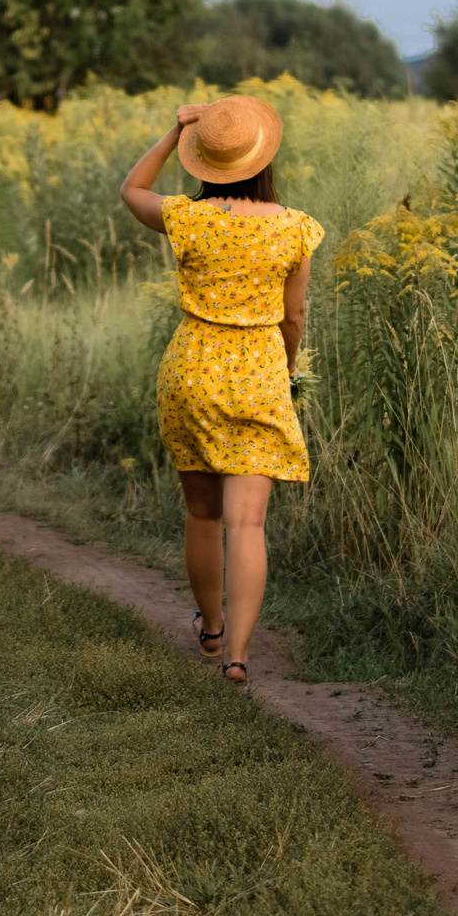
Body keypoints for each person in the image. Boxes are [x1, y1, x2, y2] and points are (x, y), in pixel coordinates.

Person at [119, 94, 323, 684]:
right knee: (247, 524)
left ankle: (209, 630)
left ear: (203, 160)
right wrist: (284, 371)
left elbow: (133, 189)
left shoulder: (188, 217)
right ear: (262, 158)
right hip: (258, 370)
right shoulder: (294, 228)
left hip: (192, 368)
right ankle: (237, 653)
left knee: (202, 515)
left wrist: (171, 132)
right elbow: (295, 315)